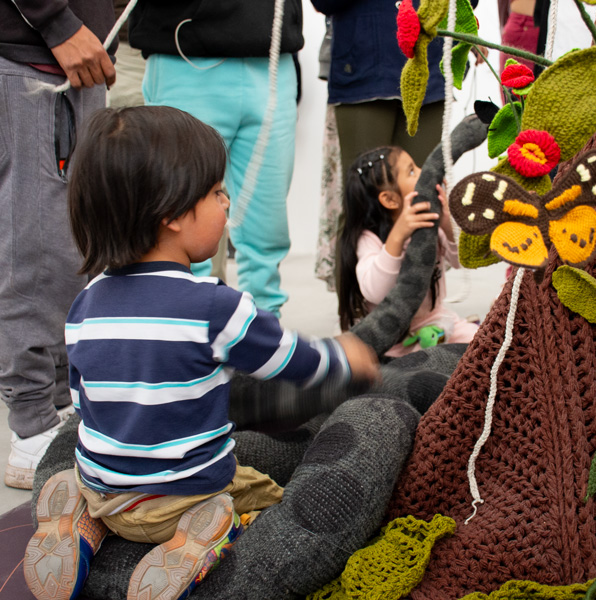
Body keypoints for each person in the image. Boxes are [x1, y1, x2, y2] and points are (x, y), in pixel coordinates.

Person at [23, 106, 380, 600]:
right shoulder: (214, 306)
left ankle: (82, 524)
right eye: (216, 193)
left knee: (100, 473)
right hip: (184, 494)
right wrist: (345, 357)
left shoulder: (85, 307)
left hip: (103, 487)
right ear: (170, 214)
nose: (227, 204)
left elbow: (85, 406)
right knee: (264, 494)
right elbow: (291, 361)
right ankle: (204, 540)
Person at [0, 0, 117, 490]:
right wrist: (58, 22)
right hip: (34, 53)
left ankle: (62, 404)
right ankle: (31, 423)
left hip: (81, 58)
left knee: (79, 242)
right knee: (37, 243)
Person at [127, 0, 303, 316]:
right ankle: (182, 332)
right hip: (184, 54)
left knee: (267, 222)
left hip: (272, 56)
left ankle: (263, 333)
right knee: (178, 216)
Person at [311, 0, 450, 291]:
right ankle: (355, 321)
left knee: (426, 199)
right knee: (360, 204)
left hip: (429, 65)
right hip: (361, 67)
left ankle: (423, 316)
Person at [336, 146, 479, 358]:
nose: (424, 172)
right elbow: (374, 291)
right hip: (394, 339)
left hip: (438, 322)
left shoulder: (431, 224)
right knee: (396, 374)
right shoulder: (369, 239)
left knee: (485, 348)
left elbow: (462, 260)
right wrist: (398, 236)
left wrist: (447, 223)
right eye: (412, 171)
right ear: (390, 200)